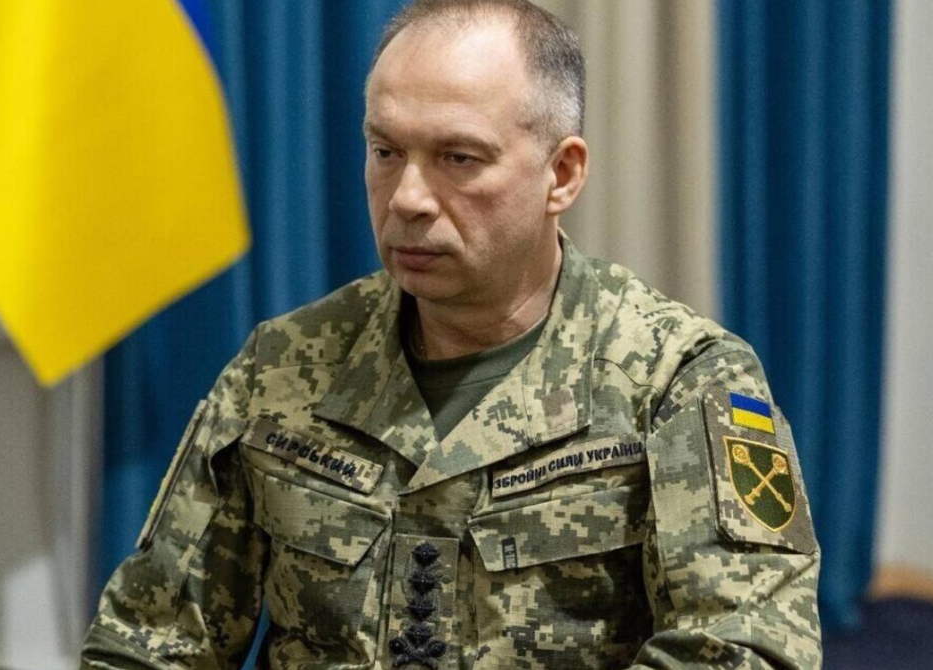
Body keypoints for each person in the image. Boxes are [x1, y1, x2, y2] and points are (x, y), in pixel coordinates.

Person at [80, 1, 822, 668]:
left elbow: (741, 650)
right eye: (385, 152)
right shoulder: (284, 366)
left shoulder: (677, 380)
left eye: (458, 158)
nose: (407, 198)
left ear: (561, 174)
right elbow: (151, 642)